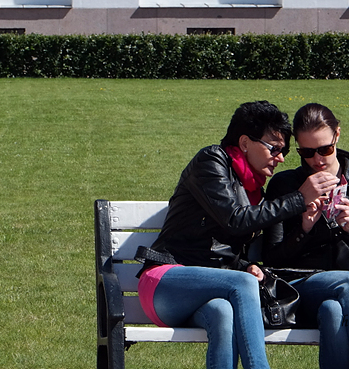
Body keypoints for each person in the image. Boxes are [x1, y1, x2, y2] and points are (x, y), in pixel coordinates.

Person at [138, 101, 337, 369]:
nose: (280, 158)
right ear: (244, 143)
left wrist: (248, 265)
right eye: (274, 148)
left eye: (284, 151)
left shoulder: (254, 191)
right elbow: (234, 219)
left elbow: (223, 251)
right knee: (242, 284)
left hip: (209, 293)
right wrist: (299, 199)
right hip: (166, 282)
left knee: (222, 312)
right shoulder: (211, 161)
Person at [263, 103, 349, 369]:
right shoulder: (285, 185)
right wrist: (304, 229)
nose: (317, 160)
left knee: (333, 310)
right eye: (306, 152)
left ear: (337, 135)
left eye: (325, 149)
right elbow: (272, 259)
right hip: (301, 288)